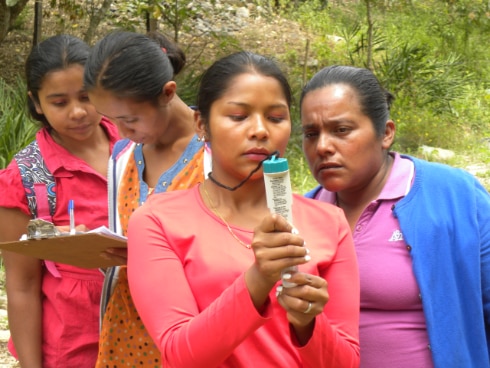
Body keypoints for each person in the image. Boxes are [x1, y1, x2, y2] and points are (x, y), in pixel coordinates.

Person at [126, 51, 360, 367]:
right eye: (238, 116)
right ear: (202, 125)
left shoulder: (328, 222)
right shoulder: (157, 221)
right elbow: (180, 355)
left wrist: (307, 324)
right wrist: (259, 278)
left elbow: (346, 362)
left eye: (276, 118)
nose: (261, 131)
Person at [301, 65, 490, 367]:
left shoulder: (454, 196)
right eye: (311, 134)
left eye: (341, 130)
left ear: (386, 133)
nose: (322, 147)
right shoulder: (303, 217)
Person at [83, 30, 209, 367]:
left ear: (168, 93)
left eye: (130, 119)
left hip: (194, 337)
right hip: (124, 335)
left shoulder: (217, 153)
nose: (122, 132)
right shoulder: (123, 156)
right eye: (112, 120)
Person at [0, 34, 120, 367]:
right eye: (59, 102)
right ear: (36, 103)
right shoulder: (25, 178)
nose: (78, 112)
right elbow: (22, 284)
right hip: (72, 347)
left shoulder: (137, 145)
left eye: (86, 96)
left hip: (146, 332)